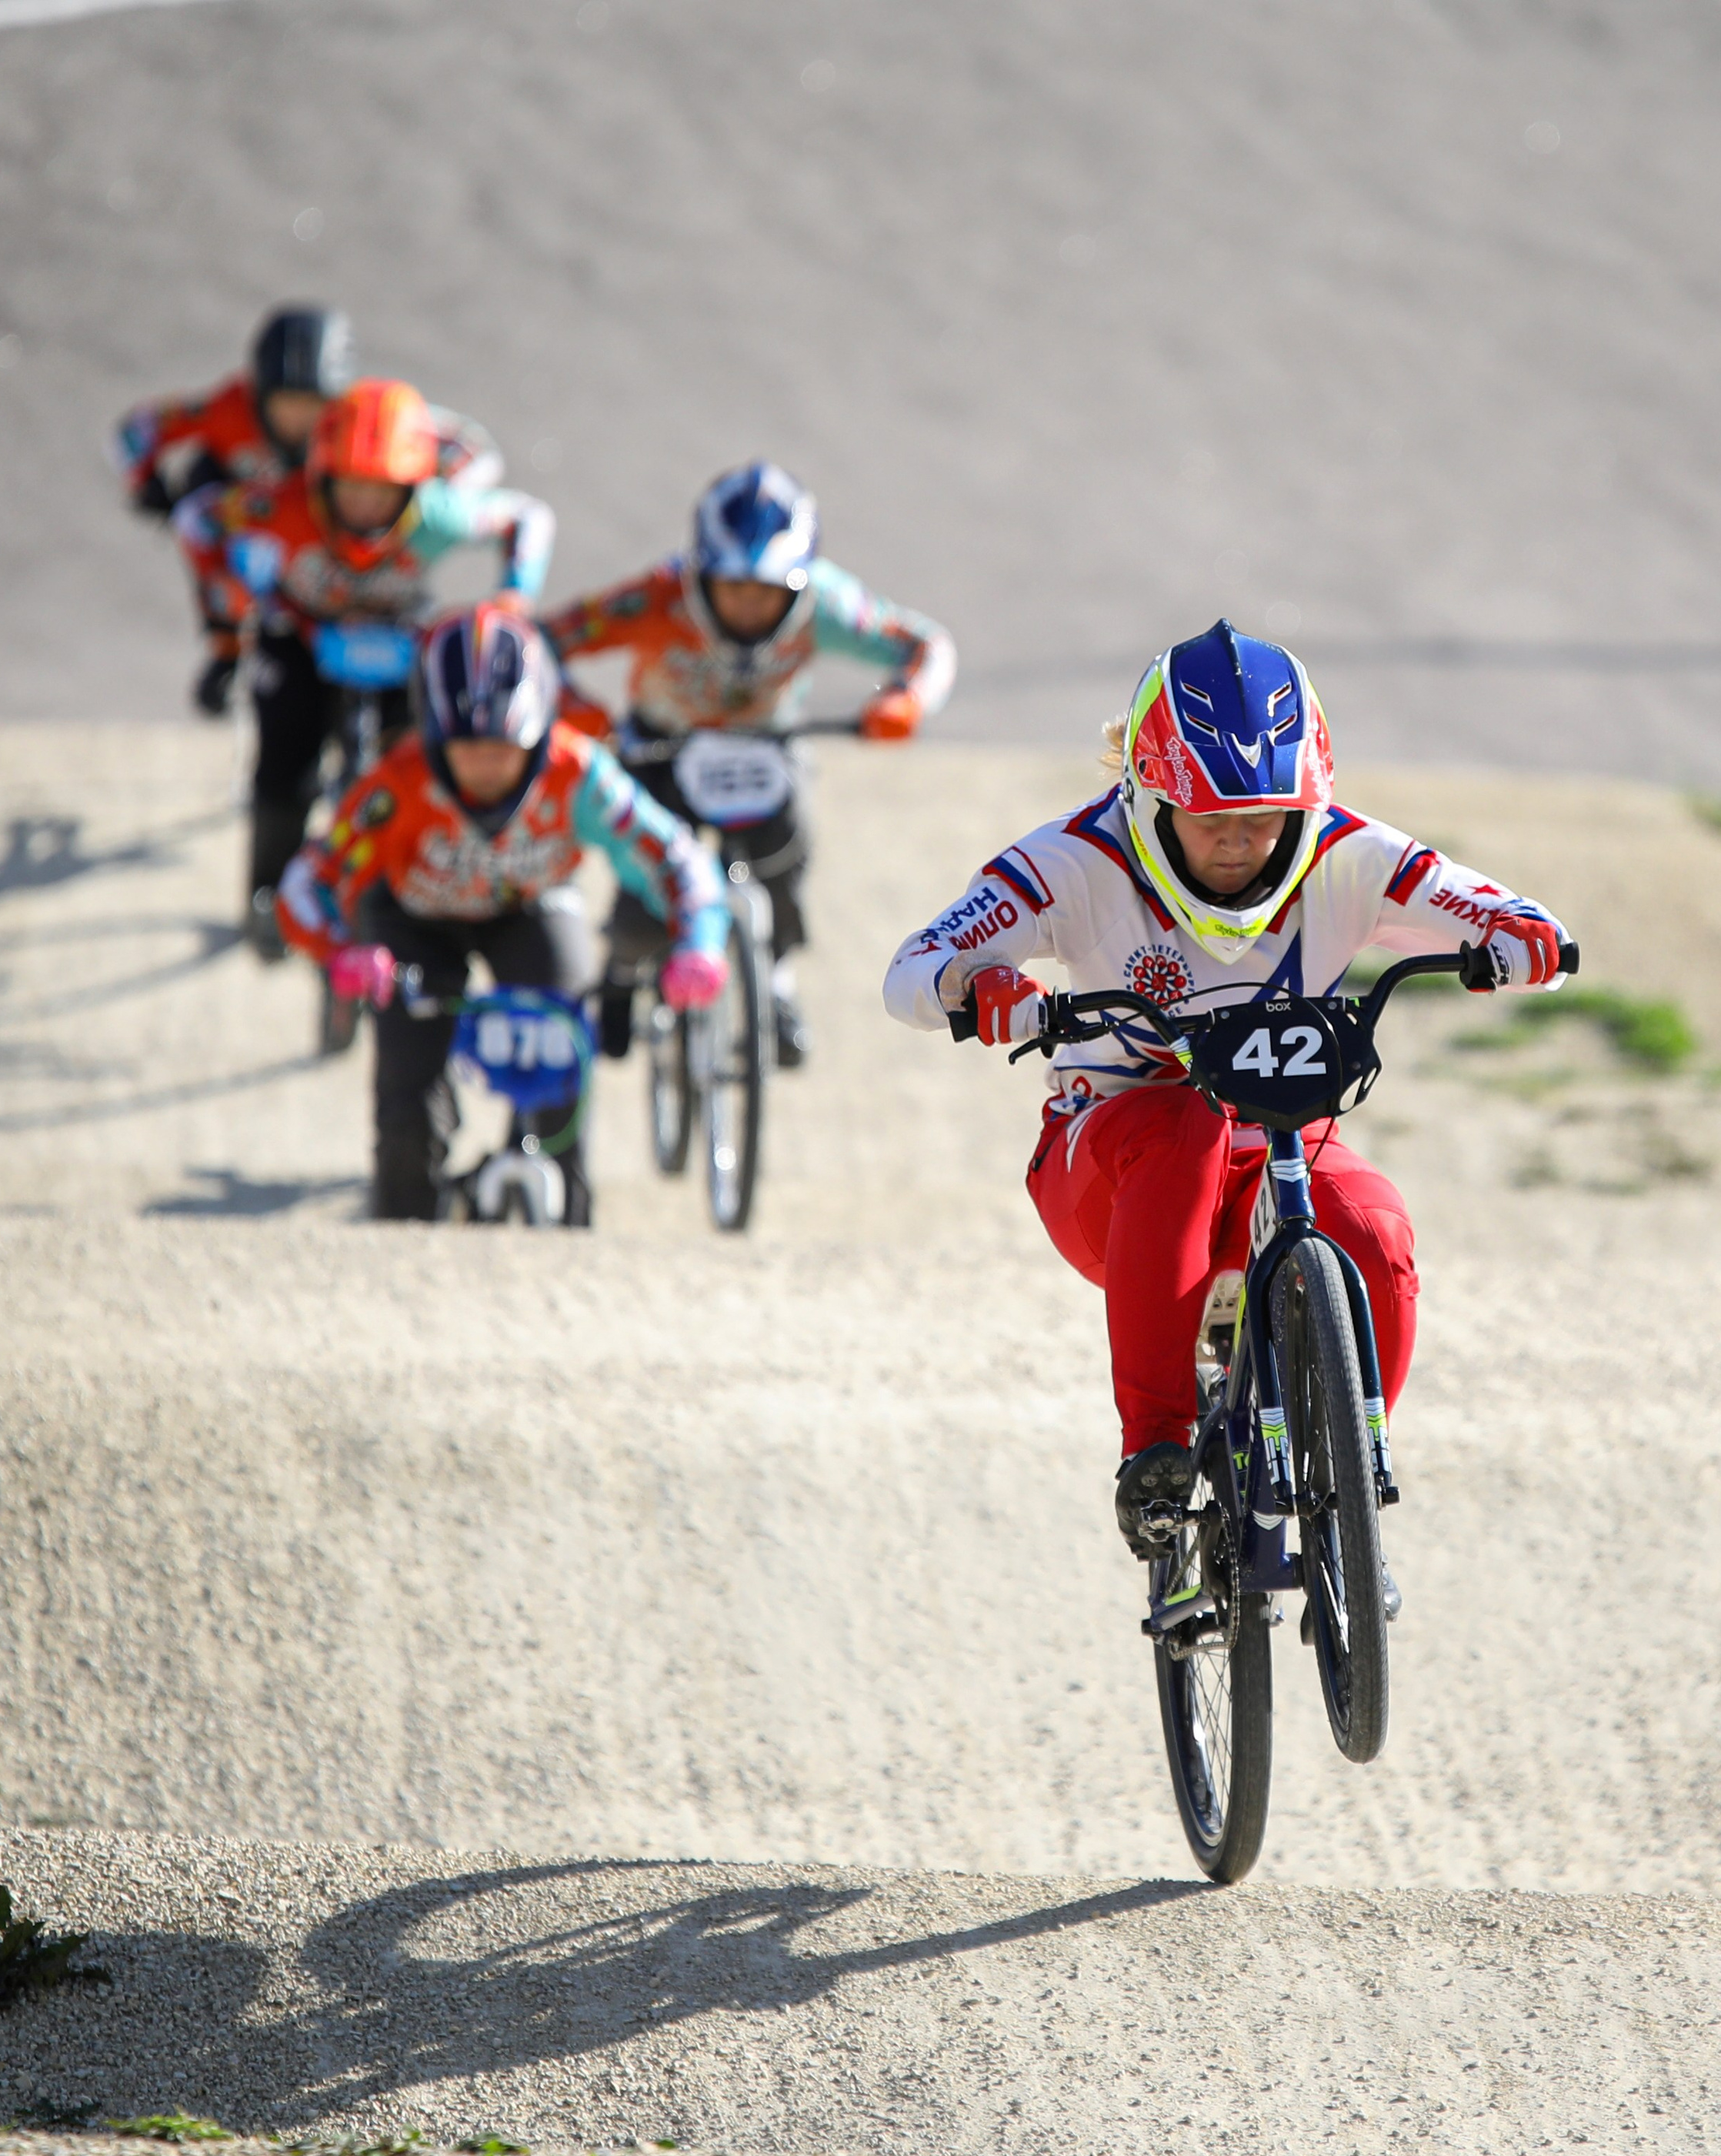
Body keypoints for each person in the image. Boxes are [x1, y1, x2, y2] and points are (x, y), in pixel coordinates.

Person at [883, 620, 1570, 1569]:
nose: (1243, 842)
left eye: (1266, 816)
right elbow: (916, 966)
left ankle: (1347, 1487)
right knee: (1184, 1120)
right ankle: (1155, 1451)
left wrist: (1522, 936)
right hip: (1109, 1170)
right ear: (1149, 798)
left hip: (1278, 1146)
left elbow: (1501, 907)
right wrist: (982, 991)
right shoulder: (1072, 859)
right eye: (1212, 819)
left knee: (1374, 1230)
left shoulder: (1346, 850)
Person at [275, 602, 728, 1225]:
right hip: (414, 923)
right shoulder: (396, 784)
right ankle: (402, 1232)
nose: (487, 765)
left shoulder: (580, 774)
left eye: (505, 746)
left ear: (541, 731)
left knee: (562, 1066)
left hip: (530, 908)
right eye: (467, 747)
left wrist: (699, 942)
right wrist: (339, 952)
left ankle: (566, 1218)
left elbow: (678, 859)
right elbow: (310, 878)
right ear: (433, 737)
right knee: (408, 1112)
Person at [543, 460, 955, 1066]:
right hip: (663, 746)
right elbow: (545, 641)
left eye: (767, 591)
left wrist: (908, 699)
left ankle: (777, 975)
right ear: (699, 574)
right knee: (646, 891)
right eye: (732, 586)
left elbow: (927, 644)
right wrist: (572, 702)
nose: (747, 605)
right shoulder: (654, 597)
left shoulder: (826, 602)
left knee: (787, 852)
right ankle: (626, 963)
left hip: (766, 746)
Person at [178, 378, 554, 955]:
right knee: (284, 767)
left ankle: (406, 889)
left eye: (382, 492)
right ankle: (270, 902)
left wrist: (513, 601)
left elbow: (528, 518)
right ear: (320, 479)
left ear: (413, 490)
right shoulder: (278, 506)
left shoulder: (441, 516)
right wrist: (229, 612)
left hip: (398, 637)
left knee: (416, 765)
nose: (363, 506)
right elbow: (199, 522)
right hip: (301, 634)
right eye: (349, 488)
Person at [115, 307, 500, 716]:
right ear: (257, 392)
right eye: (286, 402)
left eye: (314, 404)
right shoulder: (226, 410)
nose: (299, 420)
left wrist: (433, 495)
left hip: (346, 530)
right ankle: (229, 649)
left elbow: (474, 450)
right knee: (235, 580)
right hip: (259, 523)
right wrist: (148, 486)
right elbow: (137, 430)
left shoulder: (367, 417)